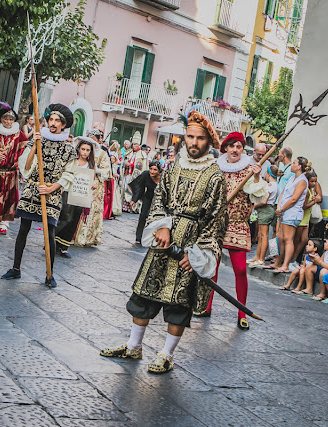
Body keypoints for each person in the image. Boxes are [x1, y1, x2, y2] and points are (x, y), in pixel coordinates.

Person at [99, 110, 227, 374]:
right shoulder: (174, 167)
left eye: (199, 138)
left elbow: (216, 221)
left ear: (208, 142)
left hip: (189, 246)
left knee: (178, 303)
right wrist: (162, 226)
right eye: (189, 136)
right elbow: (159, 198)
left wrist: (199, 254)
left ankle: (166, 354)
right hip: (163, 242)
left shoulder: (215, 176)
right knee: (144, 295)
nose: (193, 142)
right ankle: (133, 346)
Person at [1, 103, 76, 288]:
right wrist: (34, 145)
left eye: (57, 121)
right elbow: (26, 167)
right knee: (23, 228)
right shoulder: (37, 140)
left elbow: (69, 174)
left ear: (63, 125)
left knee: (49, 232)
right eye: (51, 119)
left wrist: (52, 189)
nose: (53, 123)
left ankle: (50, 274)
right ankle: (16, 268)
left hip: (52, 194)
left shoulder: (69, 149)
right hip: (33, 189)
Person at [201, 132, 267, 330]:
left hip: (238, 224)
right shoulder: (215, 168)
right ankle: (206, 305)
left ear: (242, 149)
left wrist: (256, 176)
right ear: (226, 149)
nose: (235, 150)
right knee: (212, 268)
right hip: (217, 224)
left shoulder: (249, 169)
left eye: (239, 147)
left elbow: (257, 198)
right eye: (232, 146)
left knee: (240, 270)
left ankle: (242, 312)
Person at [0, 104, 27, 234]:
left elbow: (24, 151)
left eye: (11, 119)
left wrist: (16, 160)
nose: (8, 122)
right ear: (1, 119)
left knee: (8, 198)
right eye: (6, 119)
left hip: (10, 172)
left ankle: (3, 223)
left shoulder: (20, 135)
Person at [55, 137, 97, 258]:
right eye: (83, 149)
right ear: (78, 149)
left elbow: (92, 179)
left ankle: (64, 246)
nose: (85, 152)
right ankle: (53, 241)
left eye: (87, 150)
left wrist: (93, 184)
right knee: (64, 217)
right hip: (68, 192)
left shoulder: (91, 165)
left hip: (81, 195)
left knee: (74, 221)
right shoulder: (72, 161)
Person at [268, 157, 310, 273]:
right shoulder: (292, 178)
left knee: (288, 239)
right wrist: (279, 207)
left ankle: (285, 264)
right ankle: (277, 261)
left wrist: (282, 209)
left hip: (292, 213)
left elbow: (294, 198)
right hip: (283, 211)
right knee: (279, 237)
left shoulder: (302, 181)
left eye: (294, 163)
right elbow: (283, 193)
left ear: (299, 166)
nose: (292, 165)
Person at [74, 129, 112, 247]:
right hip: (81, 183)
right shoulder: (81, 150)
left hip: (95, 185)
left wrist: (97, 171)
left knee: (90, 211)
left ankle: (87, 237)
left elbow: (107, 171)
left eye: (94, 137)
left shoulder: (102, 153)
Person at [290, 169, 322, 270]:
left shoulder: (312, 190)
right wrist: (314, 202)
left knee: (304, 240)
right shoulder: (306, 191)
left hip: (306, 219)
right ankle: (291, 260)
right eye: (312, 181)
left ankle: (294, 259)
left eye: (315, 181)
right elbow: (303, 206)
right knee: (297, 240)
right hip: (301, 218)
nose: (314, 183)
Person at [248, 166, 279, 267]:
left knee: (264, 235)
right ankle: (258, 256)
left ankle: (261, 258)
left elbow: (264, 200)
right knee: (263, 234)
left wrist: (255, 205)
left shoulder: (270, 186)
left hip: (266, 210)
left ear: (268, 173)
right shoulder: (276, 185)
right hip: (271, 209)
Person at [129, 161, 162, 246]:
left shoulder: (164, 177)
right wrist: (134, 200)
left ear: (159, 171)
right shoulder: (145, 175)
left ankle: (154, 237)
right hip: (148, 196)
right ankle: (138, 237)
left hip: (160, 199)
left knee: (156, 218)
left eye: (155, 170)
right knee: (143, 215)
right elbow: (139, 187)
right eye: (151, 169)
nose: (152, 171)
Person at [122, 134, 148, 213]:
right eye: (132, 144)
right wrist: (125, 163)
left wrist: (132, 165)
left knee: (133, 190)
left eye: (135, 144)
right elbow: (124, 161)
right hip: (127, 174)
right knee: (125, 188)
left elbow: (143, 166)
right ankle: (124, 206)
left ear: (138, 145)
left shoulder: (143, 155)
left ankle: (132, 207)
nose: (133, 146)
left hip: (135, 176)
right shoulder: (129, 153)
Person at [108, 141, 123, 217]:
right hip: (113, 178)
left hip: (115, 179)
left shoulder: (111, 154)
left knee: (115, 194)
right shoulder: (114, 155)